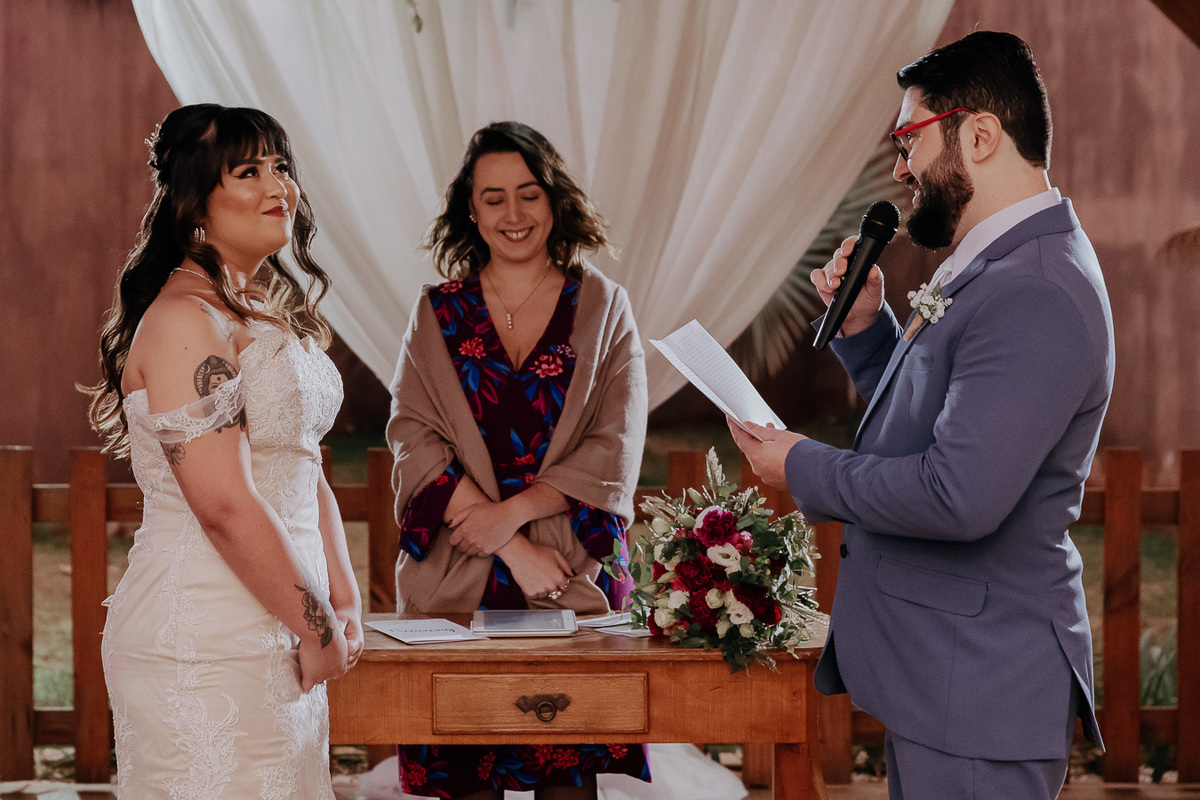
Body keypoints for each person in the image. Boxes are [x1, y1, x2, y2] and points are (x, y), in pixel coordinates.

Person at [729, 31, 1112, 799]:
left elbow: (957, 495)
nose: (899, 166)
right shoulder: (996, 261)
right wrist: (868, 334)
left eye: (908, 138)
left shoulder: (1033, 291)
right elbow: (939, 426)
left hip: (979, 687)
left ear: (979, 134)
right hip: (949, 680)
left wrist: (800, 464)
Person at [84, 103, 363, 799]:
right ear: (195, 203)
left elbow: (303, 462)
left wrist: (342, 594)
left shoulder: (254, 311)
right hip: (205, 639)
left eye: (281, 166)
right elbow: (224, 506)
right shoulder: (184, 320)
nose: (280, 187)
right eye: (249, 171)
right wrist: (317, 623)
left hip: (281, 624)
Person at [386, 121, 650, 799]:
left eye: (528, 194)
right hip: (462, 573)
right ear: (470, 210)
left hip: (572, 569)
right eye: (494, 197)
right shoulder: (436, 312)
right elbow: (413, 432)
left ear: (555, 199)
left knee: (567, 784)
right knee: (466, 776)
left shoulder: (605, 307)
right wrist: (508, 545)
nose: (513, 214)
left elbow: (617, 441)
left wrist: (517, 516)